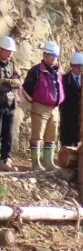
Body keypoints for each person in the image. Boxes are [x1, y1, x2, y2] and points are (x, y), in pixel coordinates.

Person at [22, 42, 64, 170]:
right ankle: (36, 163)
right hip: (40, 106)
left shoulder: (57, 71)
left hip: (54, 108)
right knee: (37, 135)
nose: (53, 58)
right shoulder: (36, 71)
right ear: (45, 55)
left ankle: (48, 162)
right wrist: (34, 102)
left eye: (55, 56)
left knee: (51, 136)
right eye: (51, 55)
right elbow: (26, 89)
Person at [0, 36, 21, 171]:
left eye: (11, 51)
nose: (10, 54)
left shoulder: (13, 64)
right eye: (8, 51)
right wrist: (11, 81)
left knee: (8, 133)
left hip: (11, 103)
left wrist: (6, 81)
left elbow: (18, 82)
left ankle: (5, 159)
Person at [59, 51, 83, 148]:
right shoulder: (64, 79)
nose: (80, 69)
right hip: (68, 114)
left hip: (82, 114)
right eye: (77, 66)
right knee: (67, 137)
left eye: (82, 66)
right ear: (71, 66)